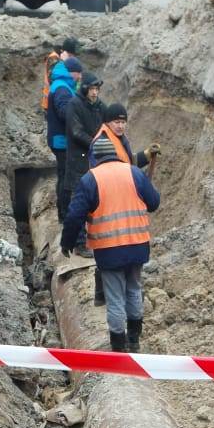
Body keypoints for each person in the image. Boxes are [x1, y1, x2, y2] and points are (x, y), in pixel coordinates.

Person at [61, 133, 160, 353]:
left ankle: (118, 346)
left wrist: (67, 243)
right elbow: (154, 202)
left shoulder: (90, 179)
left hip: (109, 249)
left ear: (95, 158)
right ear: (115, 154)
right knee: (134, 289)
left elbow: (74, 215)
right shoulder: (134, 173)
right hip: (137, 245)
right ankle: (134, 341)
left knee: (115, 297)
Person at [63, 71, 105, 236]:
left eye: (97, 89)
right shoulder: (74, 104)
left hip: (95, 159)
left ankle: (94, 233)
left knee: (96, 197)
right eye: (92, 89)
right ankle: (79, 241)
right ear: (85, 89)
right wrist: (97, 144)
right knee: (80, 200)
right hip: (79, 160)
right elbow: (76, 132)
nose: (95, 92)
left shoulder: (99, 106)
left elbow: (108, 123)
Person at [47, 56, 82, 221]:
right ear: (72, 73)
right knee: (66, 177)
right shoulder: (62, 88)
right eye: (78, 73)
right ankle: (65, 214)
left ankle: (63, 212)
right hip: (62, 140)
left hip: (60, 139)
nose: (80, 77)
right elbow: (64, 112)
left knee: (63, 175)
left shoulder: (62, 84)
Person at [89, 103, 160, 169]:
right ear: (108, 122)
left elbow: (129, 162)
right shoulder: (101, 143)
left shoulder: (120, 137)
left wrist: (147, 154)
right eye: (117, 122)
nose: (120, 126)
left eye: (123, 122)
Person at [41, 37, 80, 112]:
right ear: (66, 52)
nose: (74, 58)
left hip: (63, 100)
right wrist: (64, 61)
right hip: (52, 102)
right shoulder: (54, 58)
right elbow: (52, 78)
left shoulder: (67, 59)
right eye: (72, 55)